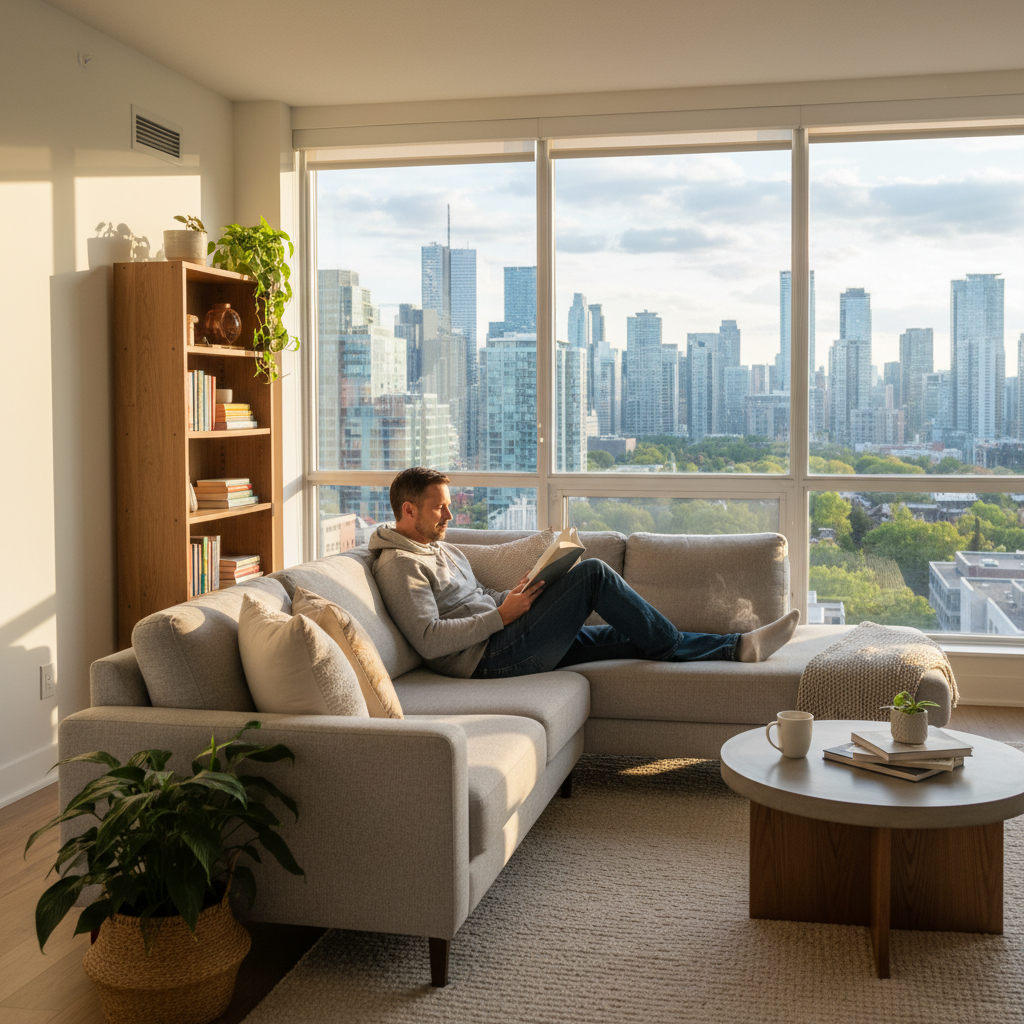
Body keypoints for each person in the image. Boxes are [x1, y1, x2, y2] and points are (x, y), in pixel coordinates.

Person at [369, 467, 800, 680]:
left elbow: (476, 592)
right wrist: (502, 617)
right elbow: (428, 638)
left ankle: (739, 647)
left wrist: (510, 595)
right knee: (593, 572)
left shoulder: (439, 547)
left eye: (449, 505)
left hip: (503, 633)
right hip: (484, 658)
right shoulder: (399, 565)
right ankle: (688, 641)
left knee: (623, 638)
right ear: (408, 510)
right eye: (440, 507)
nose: (450, 513)